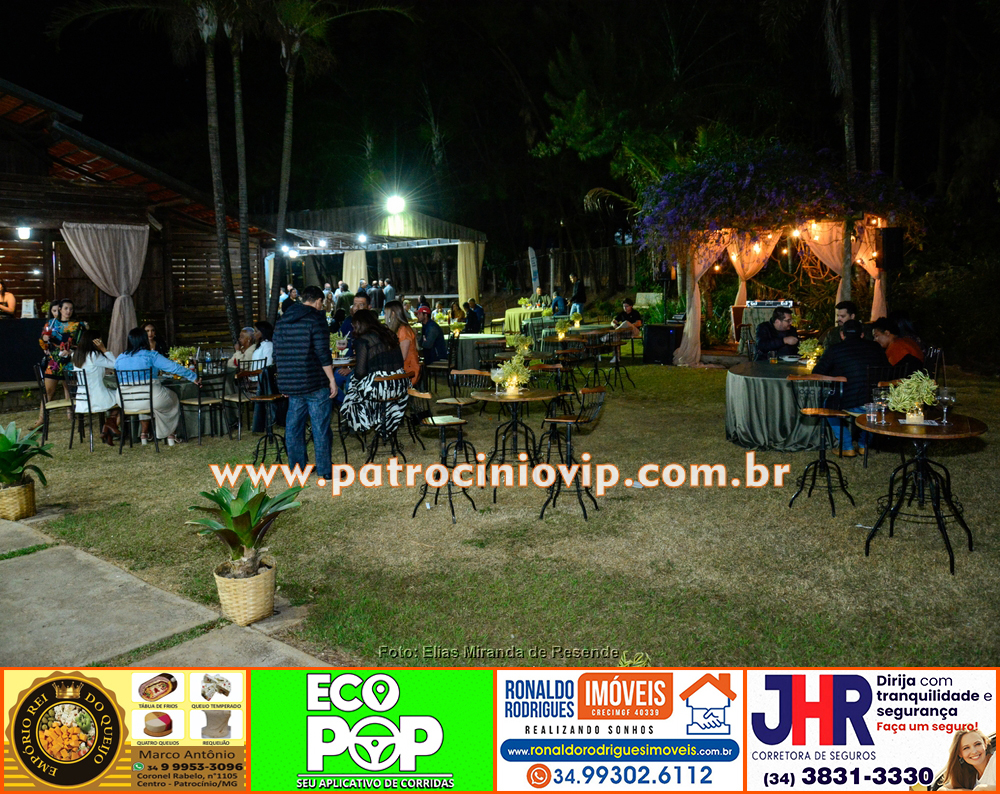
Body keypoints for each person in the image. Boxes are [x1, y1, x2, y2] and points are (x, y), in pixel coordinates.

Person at [274, 285, 337, 480]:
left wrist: (284, 381)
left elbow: (277, 353)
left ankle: (297, 469)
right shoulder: (316, 319)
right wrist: (332, 379)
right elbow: (322, 352)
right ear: (318, 301)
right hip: (315, 380)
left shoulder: (283, 320)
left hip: (292, 381)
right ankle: (325, 470)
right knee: (320, 427)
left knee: (293, 427)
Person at [812, 319, 889, 456]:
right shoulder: (876, 347)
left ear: (842, 334)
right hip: (878, 402)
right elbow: (887, 370)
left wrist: (836, 372)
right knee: (870, 407)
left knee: (828, 406)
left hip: (850, 402)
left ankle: (846, 445)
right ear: (862, 335)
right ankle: (864, 444)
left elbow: (817, 372)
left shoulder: (835, 349)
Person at [115, 327, 199, 445]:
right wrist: (193, 377)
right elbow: (173, 367)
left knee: (150, 402)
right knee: (173, 399)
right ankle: (170, 434)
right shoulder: (151, 356)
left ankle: (145, 434)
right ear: (144, 340)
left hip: (124, 401)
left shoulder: (119, 358)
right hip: (151, 398)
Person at [340, 309, 408, 433]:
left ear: (359, 324)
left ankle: (359, 422)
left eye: (354, 325)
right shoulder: (390, 335)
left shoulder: (363, 340)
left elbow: (360, 372)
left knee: (353, 388)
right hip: (399, 385)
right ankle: (379, 420)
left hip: (380, 389)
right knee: (362, 387)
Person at [34, 299, 87, 429]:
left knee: (71, 390)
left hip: (71, 360)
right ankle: (41, 419)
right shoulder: (51, 324)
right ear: (60, 309)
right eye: (66, 308)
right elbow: (43, 344)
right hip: (54, 361)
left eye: (71, 309)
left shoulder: (78, 325)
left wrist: (72, 350)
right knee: (48, 391)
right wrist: (44, 339)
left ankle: (73, 417)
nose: (68, 311)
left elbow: (83, 344)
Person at [71, 329, 121, 446]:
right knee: (123, 397)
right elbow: (116, 364)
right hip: (98, 398)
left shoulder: (75, 355)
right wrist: (104, 350)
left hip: (83, 399)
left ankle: (108, 427)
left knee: (118, 396)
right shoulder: (94, 355)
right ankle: (109, 425)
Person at [385, 300, 420, 385]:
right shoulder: (400, 329)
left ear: (393, 314)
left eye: (386, 313)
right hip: (401, 368)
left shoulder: (403, 330)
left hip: (407, 370)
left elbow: (402, 357)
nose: (385, 316)